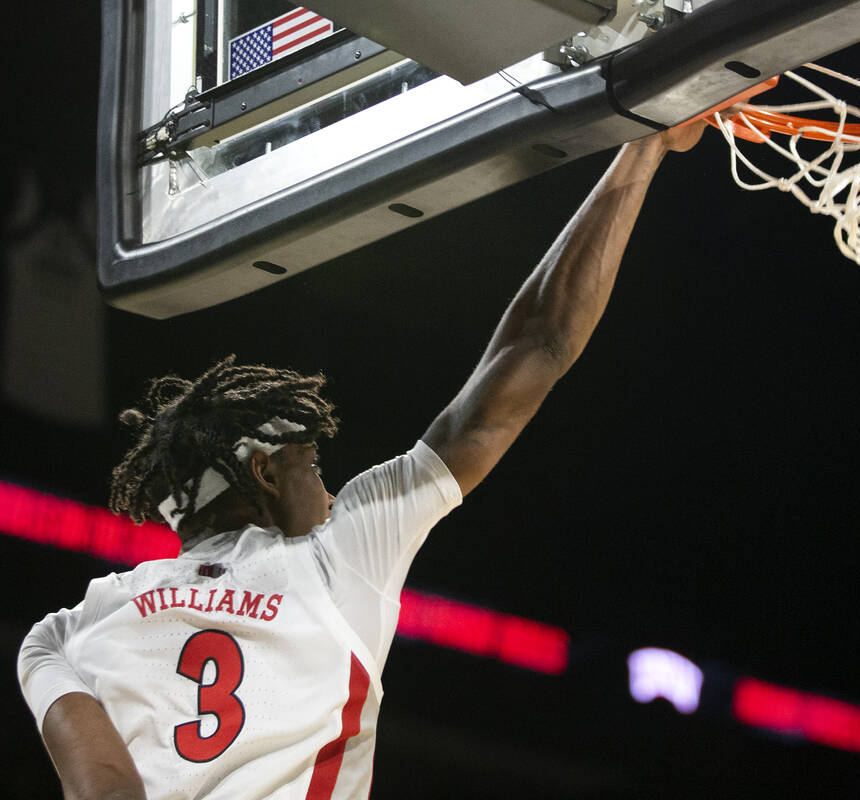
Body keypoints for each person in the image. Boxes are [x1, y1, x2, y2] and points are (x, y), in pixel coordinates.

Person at [18, 123, 705, 799]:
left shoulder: (65, 630)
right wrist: (643, 143)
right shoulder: (337, 555)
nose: (327, 488)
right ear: (264, 472)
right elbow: (538, 343)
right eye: (312, 465)